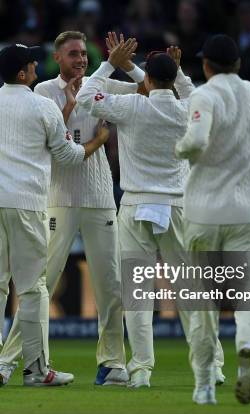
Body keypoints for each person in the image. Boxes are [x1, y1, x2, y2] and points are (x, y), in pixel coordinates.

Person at [76, 36, 224, 388]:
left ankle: (141, 369)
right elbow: (191, 94)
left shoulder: (132, 105)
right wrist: (179, 71)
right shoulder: (186, 108)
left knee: (137, 294)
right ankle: (211, 367)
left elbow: (85, 95)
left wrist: (111, 62)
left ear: (146, 82)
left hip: (137, 205)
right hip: (177, 207)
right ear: (172, 80)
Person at [0, 31, 142, 387]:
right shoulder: (43, 91)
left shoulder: (102, 85)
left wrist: (128, 67)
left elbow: (147, 92)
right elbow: (49, 143)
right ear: (58, 59)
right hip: (57, 197)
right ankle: (8, 360)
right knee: (40, 284)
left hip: (100, 196)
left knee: (110, 285)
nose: (80, 59)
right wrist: (71, 106)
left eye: (84, 53)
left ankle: (111, 363)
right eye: (73, 54)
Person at [0, 44, 110, 387]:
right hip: (28, 203)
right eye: (32, 62)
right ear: (22, 73)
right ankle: (36, 370)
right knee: (33, 287)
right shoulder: (43, 105)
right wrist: (99, 141)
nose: (37, 65)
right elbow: (67, 155)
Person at [175, 34, 250, 405]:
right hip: (246, 211)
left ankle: (205, 384)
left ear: (206, 65)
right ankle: (248, 348)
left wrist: (178, 150)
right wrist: (248, 152)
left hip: (204, 212)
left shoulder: (204, 95)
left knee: (203, 303)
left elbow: (195, 141)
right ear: (238, 64)